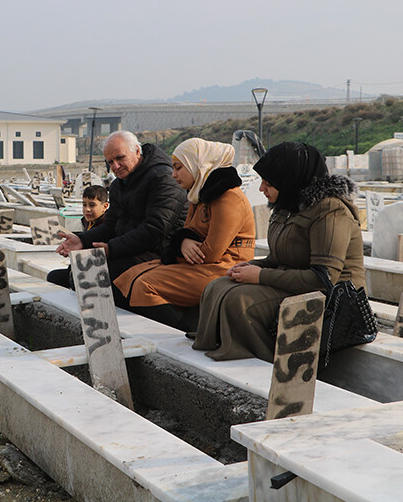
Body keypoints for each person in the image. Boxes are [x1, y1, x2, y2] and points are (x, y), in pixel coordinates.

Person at [193, 142, 365, 363]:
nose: (261, 189)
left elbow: (323, 278)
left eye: (268, 183)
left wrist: (260, 276)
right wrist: (252, 267)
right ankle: (216, 344)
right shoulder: (288, 206)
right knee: (218, 285)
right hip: (296, 285)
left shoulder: (330, 210)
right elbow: (278, 258)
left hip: (330, 299)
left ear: (289, 180)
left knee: (240, 300)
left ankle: (261, 362)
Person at [112, 138, 255, 331]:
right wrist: (182, 242)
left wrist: (180, 246)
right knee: (126, 278)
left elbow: (210, 253)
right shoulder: (199, 195)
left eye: (179, 168)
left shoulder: (227, 197)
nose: (173, 175)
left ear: (197, 165)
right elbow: (188, 233)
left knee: (144, 285)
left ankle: (181, 334)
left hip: (225, 268)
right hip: (201, 265)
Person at [55, 131, 186, 280]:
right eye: (110, 162)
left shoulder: (163, 178)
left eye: (120, 158)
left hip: (160, 253)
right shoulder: (119, 185)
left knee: (84, 278)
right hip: (129, 250)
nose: (115, 166)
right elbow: (110, 226)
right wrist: (82, 240)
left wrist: (111, 249)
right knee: (60, 277)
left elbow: (154, 230)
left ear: (137, 151)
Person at [47, 185, 110, 288]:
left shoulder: (106, 227)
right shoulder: (87, 222)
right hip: (83, 267)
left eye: (92, 205)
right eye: (84, 205)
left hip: (99, 272)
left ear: (105, 206)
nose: (87, 209)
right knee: (53, 277)